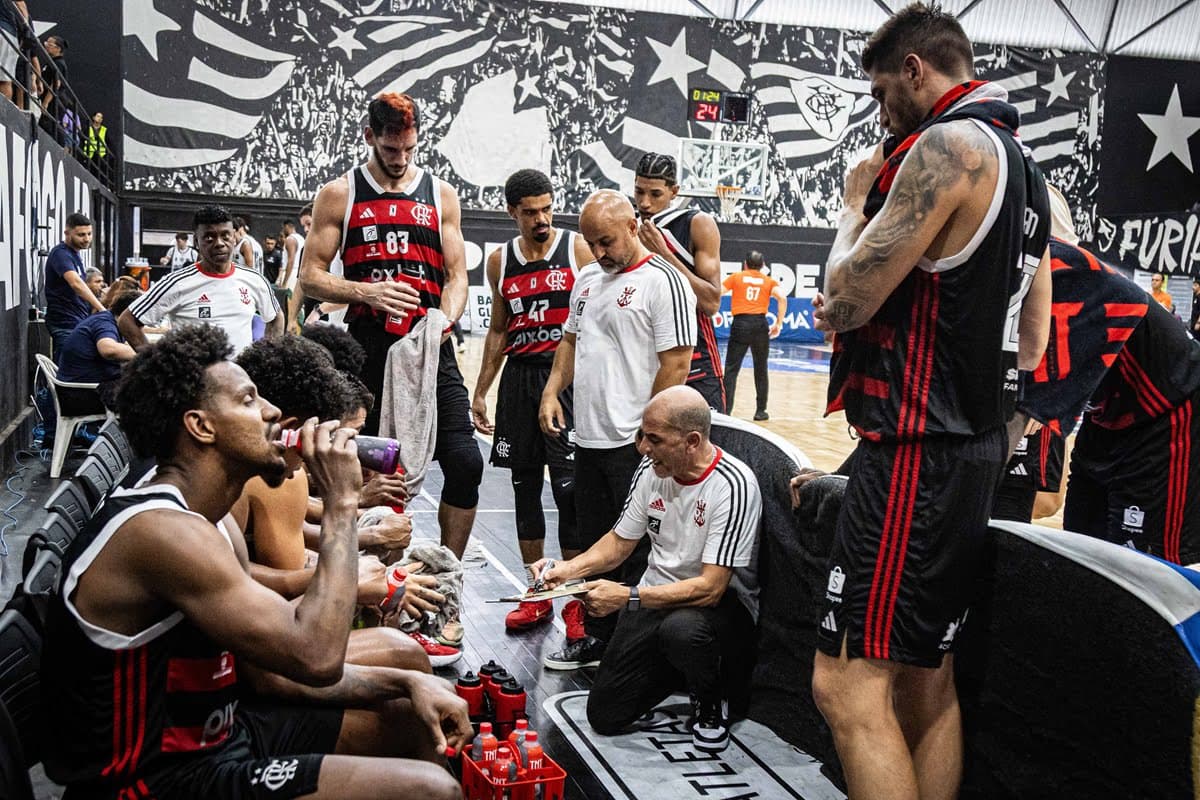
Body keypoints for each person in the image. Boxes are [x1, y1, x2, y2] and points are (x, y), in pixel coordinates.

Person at [40, 324, 469, 800]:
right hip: (151, 780)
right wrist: (343, 506)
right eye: (248, 401)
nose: (272, 412)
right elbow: (316, 656)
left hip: (222, 736)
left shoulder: (211, 520)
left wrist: (407, 682)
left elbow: (270, 670)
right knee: (429, 791)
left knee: (412, 716)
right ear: (201, 426)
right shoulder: (163, 532)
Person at [809, 6, 1052, 799]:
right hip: (974, 446)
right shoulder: (1029, 169)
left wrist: (854, 205)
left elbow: (843, 302)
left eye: (884, 94)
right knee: (924, 678)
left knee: (844, 686)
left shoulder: (948, 147)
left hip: (916, 449)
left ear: (916, 69)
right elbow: (1035, 341)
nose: (883, 114)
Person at [299, 93, 479, 560]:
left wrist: (447, 317)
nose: (400, 160)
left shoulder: (441, 194)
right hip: (368, 348)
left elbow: (457, 276)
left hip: (428, 342)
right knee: (375, 472)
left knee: (465, 461)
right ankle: (380, 575)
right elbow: (310, 275)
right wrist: (367, 292)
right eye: (390, 150)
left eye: (409, 149)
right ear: (370, 138)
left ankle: (448, 574)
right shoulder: (341, 193)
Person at [534, 386, 760, 752]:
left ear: (691, 441)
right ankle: (679, 668)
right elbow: (620, 542)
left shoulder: (733, 485)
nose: (642, 447)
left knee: (683, 630)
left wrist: (628, 597)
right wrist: (567, 569)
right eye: (641, 435)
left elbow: (711, 588)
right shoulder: (651, 468)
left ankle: (710, 701)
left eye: (653, 439)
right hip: (655, 598)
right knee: (605, 714)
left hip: (715, 609)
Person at [538, 189, 697, 670]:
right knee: (593, 545)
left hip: (636, 445)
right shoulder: (586, 279)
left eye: (606, 241)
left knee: (639, 552)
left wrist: (650, 437)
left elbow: (677, 364)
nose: (599, 252)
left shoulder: (664, 282)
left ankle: (638, 650)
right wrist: (551, 390)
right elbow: (569, 342)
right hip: (587, 440)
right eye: (592, 243)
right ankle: (600, 641)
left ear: (633, 226)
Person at [233, 334, 463, 666]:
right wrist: (357, 580)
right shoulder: (280, 477)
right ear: (295, 430)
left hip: (249, 632)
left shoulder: (241, 469)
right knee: (405, 657)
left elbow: (258, 566)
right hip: (251, 658)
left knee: (413, 562)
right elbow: (290, 596)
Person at [471, 168, 592, 631]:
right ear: (512, 213)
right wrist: (481, 390)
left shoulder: (576, 247)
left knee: (569, 493)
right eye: (530, 212)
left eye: (546, 208)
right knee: (524, 487)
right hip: (519, 381)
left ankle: (574, 596)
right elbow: (499, 329)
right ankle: (538, 589)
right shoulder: (500, 261)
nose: (541, 218)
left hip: (565, 380)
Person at [119, 205, 283, 353]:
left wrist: (265, 359)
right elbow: (127, 321)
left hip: (241, 381)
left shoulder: (254, 279)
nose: (219, 243)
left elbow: (276, 317)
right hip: (195, 383)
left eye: (225, 236)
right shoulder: (177, 283)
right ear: (196, 242)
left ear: (234, 237)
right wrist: (158, 364)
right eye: (209, 238)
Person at [633, 152, 726, 411]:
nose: (645, 203)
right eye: (639, 192)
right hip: (646, 362)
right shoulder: (626, 225)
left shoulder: (697, 223)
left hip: (697, 364)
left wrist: (664, 254)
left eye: (655, 194)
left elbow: (711, 301)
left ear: (674, 191)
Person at [721, 250, 788, 420]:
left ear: (745, 264)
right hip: (760, 324)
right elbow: (782, 298)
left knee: (731, 369)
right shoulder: (768, 281)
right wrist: (778, 324)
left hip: (741, 324)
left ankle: (726, 411)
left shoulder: (736, 277)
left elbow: (718, 291)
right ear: (762, 266)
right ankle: (761, 411)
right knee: (761, 368)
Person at [56, 280, 141, 410]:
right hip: (81, 394)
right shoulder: (105, 323)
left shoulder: (107, 319)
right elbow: (109, 349)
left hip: (79, 389)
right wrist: (147, 351)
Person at [45, 212, 104, 362]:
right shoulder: (60, 254)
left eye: (89, 234)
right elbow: (76, 284)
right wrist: (101, 309)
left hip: (77, 321)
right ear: (67, 233)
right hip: (64, 323)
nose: (87, 239)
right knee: (69, 370)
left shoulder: (75, 255)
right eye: (81, 235)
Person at [0, 1, 28, 102]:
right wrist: (27, 27)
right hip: (5, 30)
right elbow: (19, 2)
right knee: (4, 80)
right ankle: (3, 115)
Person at [1191, 276, 1200, 341]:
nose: (1193, 287)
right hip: (1193, 322)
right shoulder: (1195, 296)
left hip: (1198, 325)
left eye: (1195, 285)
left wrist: (1198, 323)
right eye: (1193, 285)